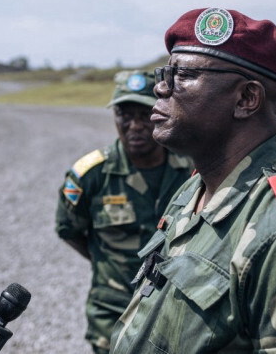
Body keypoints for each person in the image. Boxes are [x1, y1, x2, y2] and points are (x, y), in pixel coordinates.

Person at [109, 8, 276, 353]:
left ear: (246, 99)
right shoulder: (194, 189)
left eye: (182, 75)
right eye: (164, 72)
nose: (160, 87)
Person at [55, 70, 193, 353]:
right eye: (124, 115)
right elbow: (68, 228)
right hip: (113, 310)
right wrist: (107, 262)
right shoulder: (90, 175)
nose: (135, 126)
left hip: (176, 309)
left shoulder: (191, 168)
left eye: (144, 115)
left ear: (161, 112)